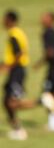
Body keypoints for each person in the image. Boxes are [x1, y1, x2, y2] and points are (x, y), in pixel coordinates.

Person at [2, 10, 30, 140]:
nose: (2, 21)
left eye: (5, 19)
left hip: (17, 71)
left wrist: (8, 67)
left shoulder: (14, 34)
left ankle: (43, 101)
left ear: (10, 20)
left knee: (12, 102)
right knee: (6, 101)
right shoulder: (18, 32)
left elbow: (18, 55)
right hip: (16, 70)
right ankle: (17, 129)